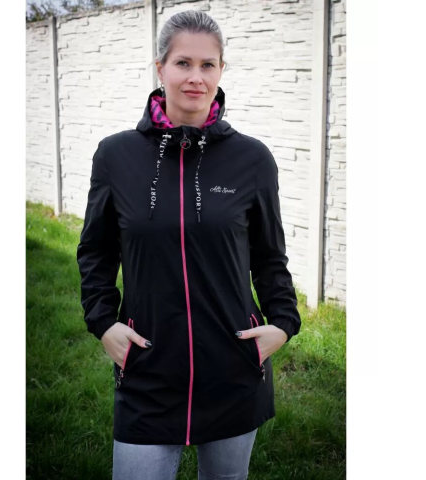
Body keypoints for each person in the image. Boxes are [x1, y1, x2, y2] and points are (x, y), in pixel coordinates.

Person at [77, 9, 301, 480]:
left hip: (233, 368)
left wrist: (282, 323)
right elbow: (96, 250)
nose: (195, 77)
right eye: (183, 63)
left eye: (207, 65)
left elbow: (268, 256)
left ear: (221, 71)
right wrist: (103, 322)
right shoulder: (116, 155)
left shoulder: (252, 159)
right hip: (148, 368)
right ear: (160, 68)